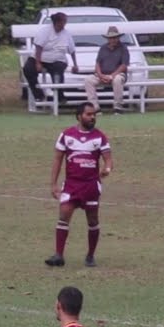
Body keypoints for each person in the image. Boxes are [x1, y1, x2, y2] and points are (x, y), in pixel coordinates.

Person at [46, 103, 113, 267]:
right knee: (63, 215)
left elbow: (108, 159)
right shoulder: (67, 135)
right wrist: (53, 184)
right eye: (88, 114)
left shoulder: (99, 137)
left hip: (91, 185)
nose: (92, 117)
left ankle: (90, 256)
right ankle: (59, 255)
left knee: (93, 220)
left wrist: (107, 169)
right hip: (71, 185)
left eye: (94, 114)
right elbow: (57, 160)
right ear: (79, 116)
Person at [23, 12, 78, 101]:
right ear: (57, 22)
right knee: (28, 69)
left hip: (58, 60)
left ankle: (60, 96)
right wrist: (38, 63)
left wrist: (75, 64)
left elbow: (72, 50)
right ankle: (38, 95)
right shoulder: (44, 31)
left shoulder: (66, 34)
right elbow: (39, 47)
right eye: (64, 21)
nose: (65, 24)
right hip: (40, 57)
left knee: (58, 71)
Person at [81, 26, 129, 114]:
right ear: (108, 39)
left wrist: (112, 76)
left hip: (117, 74)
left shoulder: (123, 48)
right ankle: (95, 107)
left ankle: (118, 106)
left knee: (117, 80)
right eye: (111, 38)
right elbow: (97, 63)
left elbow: (124, 65)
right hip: (102, 74)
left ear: (118, 37)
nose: (113, 40)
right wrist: (100, 75)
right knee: (88, 80)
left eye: (115, 37)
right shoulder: (102, 48)